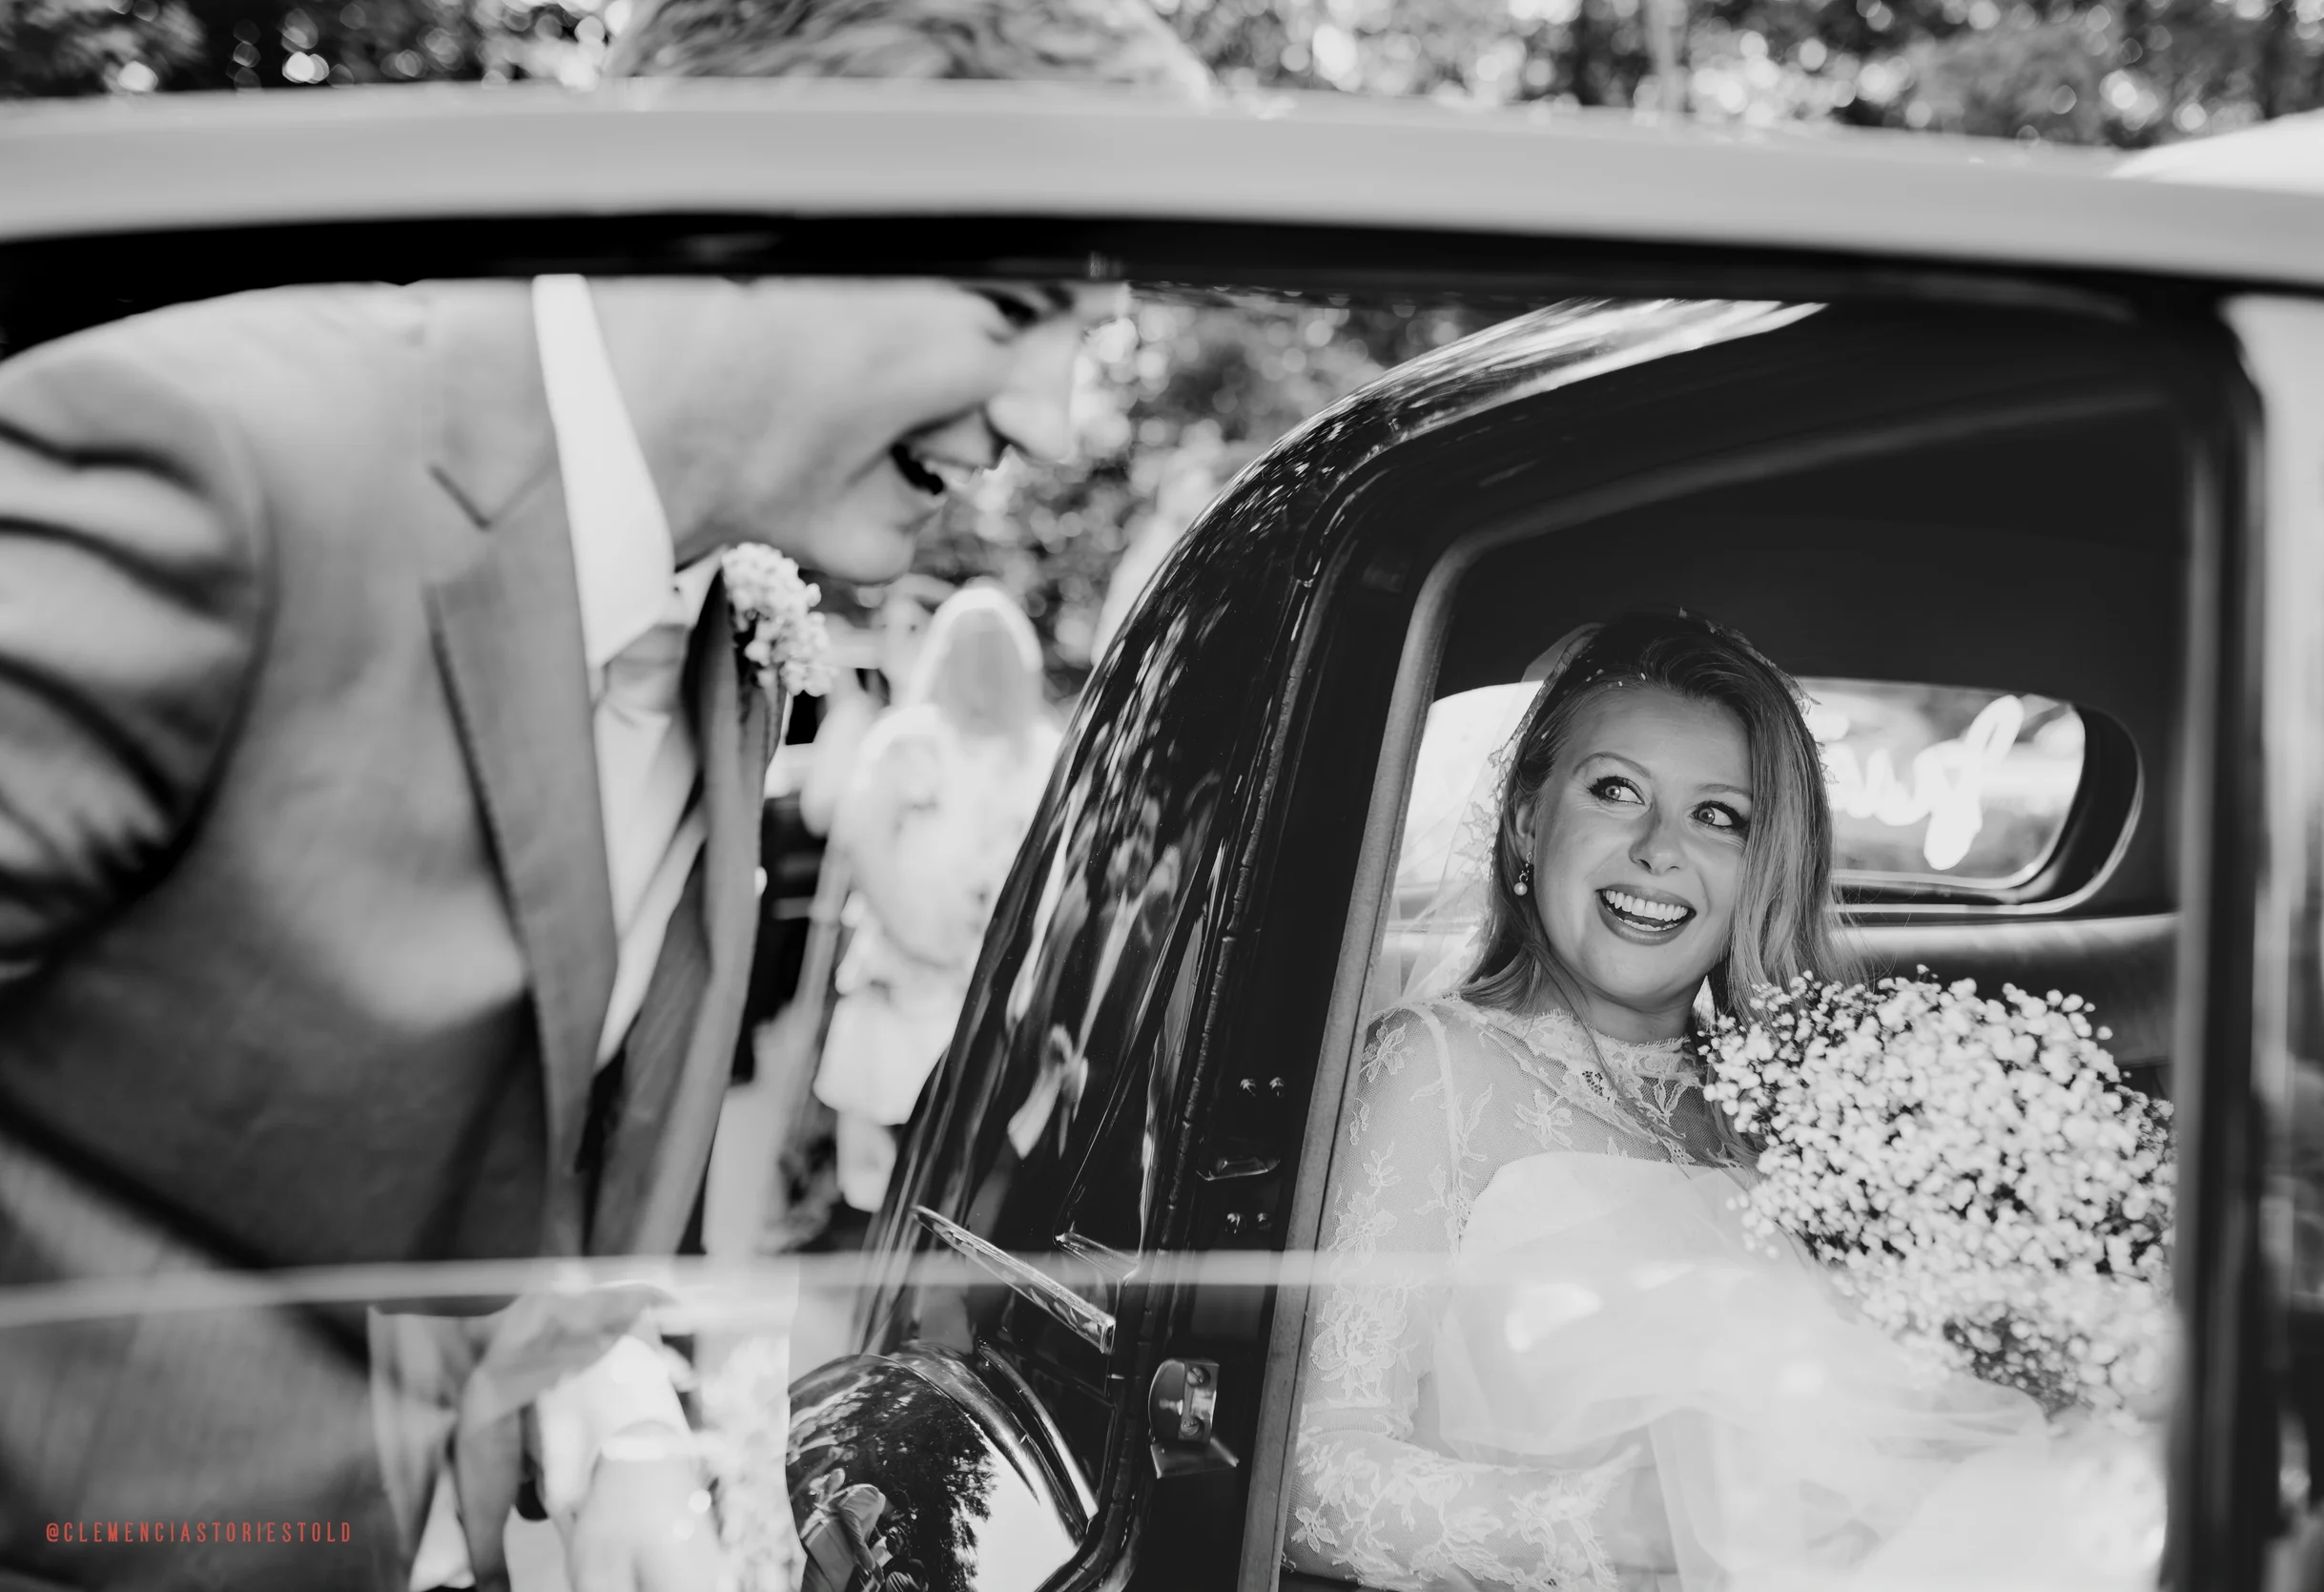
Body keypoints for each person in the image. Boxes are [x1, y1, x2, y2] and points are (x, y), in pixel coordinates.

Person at [0, 8, 1208, 1592]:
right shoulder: (219, 459)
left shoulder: (736, 647)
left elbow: (521, 1170)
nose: (1055, 427)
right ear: (739, 207)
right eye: (1011, 306)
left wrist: (614, 1399)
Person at [1287, 612, 2083, 1592]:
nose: (1660, 848)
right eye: (1617, 790)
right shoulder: (1435, 1066)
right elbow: (1311, 1479)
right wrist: (1609, 1528)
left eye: (1720, 815)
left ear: (1762, 867)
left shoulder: (1778, 1111)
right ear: (1529, 819)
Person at [811, 584, 1061, 1212]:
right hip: (902, 970)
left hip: (993, 980)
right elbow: (860, 841)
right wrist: (913, 929)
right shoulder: (905, 739)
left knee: (974, 1147)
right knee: (876, 1147)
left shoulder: (1043, 752)